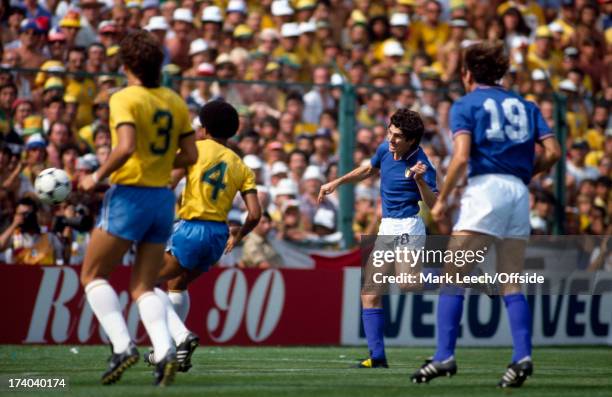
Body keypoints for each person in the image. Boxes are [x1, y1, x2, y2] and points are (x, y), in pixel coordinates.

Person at [410, 41, 561, 388]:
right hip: (518, 193)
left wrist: (441, 199)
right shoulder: (526, 105)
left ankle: (444, 356)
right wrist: (524, 173)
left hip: (486, 190)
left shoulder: (465, 105)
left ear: (467, 73)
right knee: (511, 278)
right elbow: (553, 151)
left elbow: (461, 157)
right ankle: (522, 356)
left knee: (453, 274)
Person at [77, 30, 198, 386]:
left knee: (92, 275)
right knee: (144, 285)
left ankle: (122, 345)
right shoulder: (174, 100)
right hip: (163, 200)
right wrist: (161, 168)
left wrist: (95, 176)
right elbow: (190, 155)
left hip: (130, 194)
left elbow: (126, 146)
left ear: (126, 64)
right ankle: (163, 352)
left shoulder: (124, 97)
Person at [146, 100, 261, 372]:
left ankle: (177, 340)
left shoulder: (193, 150)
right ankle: (174, 352)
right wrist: (239, 235)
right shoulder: (241, 165)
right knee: (177, 284)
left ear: (204, 127)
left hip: (191, 227)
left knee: (144, 281)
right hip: (218, 236)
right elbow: (255, 214)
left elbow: (167, 185)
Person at [318, 108, 437, 368]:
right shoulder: (385, 150)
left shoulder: (422, 163)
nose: (390, 139)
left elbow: (435, 203)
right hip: (388, 227)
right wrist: (336, 182)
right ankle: (377, 357)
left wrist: (420, 181)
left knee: (407, 284)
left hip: (408, 225)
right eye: (389, 133)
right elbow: (368, 170)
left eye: (397, 136)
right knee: (370, 293)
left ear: (412, 141)